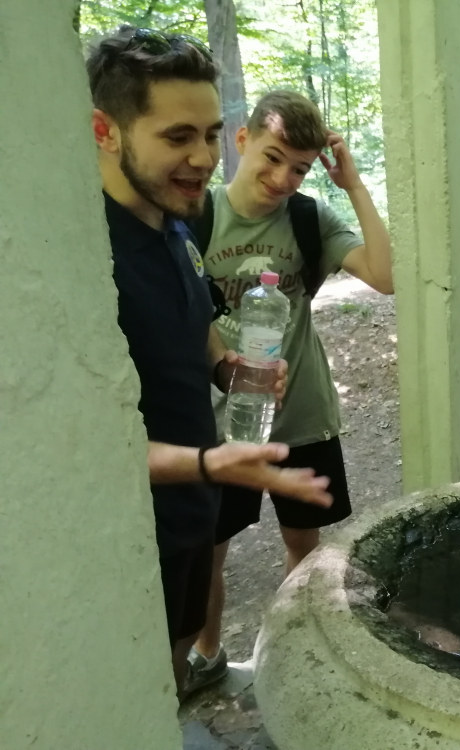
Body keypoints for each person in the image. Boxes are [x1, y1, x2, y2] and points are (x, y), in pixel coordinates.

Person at [87, 26, 333, 697]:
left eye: (209, 133)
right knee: (139, 690)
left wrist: (230, 369)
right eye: (177, 136)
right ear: (105, 131)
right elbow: (78, 444)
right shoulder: (89, 254)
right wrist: (208, 463)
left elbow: (196, 327)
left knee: (175, 663)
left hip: (190, 513)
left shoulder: (174, 225)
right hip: (133, 532)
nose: (202, 157)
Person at [185, 90, 394, 696]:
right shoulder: (197, 217)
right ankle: (207, 653)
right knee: (212, 549)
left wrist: (352, 184)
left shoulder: (308, 218)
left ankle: (289, 657)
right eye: (272, 158)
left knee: (303, 545)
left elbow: (385, 277)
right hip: (221, 421)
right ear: (242, 140)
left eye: (299, 168)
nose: (282, 179)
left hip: (302, 415)